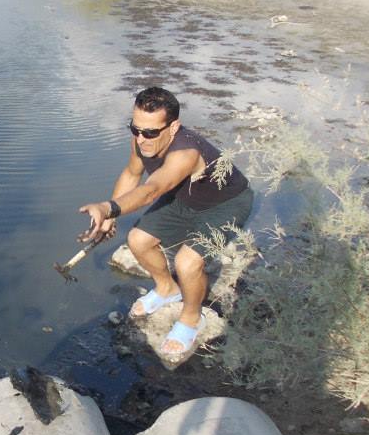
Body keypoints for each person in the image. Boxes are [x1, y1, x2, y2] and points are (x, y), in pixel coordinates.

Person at [79, 86, 252, 359]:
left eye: (150, 133)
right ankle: (167, 288)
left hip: (224, 204)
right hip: (184, 199)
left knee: (187, 262)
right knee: (137, 240)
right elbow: (131, 173)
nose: (142, 139)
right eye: (135, 129)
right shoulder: (139, 141)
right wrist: (110, 217)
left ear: (173, 127)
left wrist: (107, 207)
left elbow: (152, 189)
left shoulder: (186, 152)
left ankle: (192, 318)